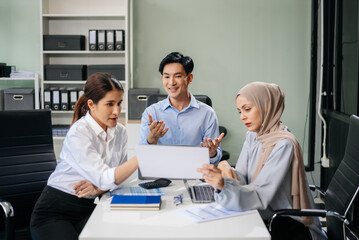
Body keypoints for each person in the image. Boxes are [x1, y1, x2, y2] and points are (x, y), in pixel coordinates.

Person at [197, 82, 327, 240]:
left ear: (266, 106)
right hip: (265, 215)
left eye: (247, 109)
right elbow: (243, 177)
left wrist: (224, 186)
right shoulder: (254, 135)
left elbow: (261, 195)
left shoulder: (284, 144)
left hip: (289, 223)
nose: (242, 116)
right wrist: (224, 168)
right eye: (239, 111)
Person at [30, 73, 138, 240]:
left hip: (89, 208)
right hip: (55, 212)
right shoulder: (79, 133)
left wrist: (97, 188)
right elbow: (105, 177)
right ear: (91, 105)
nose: (117, 111)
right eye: (109, 104)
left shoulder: (120, 131)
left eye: (119, 103)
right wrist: (141, 157)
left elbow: (117, 177)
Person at [140, 52, 224, 164]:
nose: (171, 82)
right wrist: (151, 139)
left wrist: (212, 153)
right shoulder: (151, 113)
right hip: (161, 176)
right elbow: (143, 157)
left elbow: (215, 158)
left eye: (178, 76)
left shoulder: (207, 114)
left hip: (195, 176)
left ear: (189, 78)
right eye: (166, 77)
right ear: (162, 78)